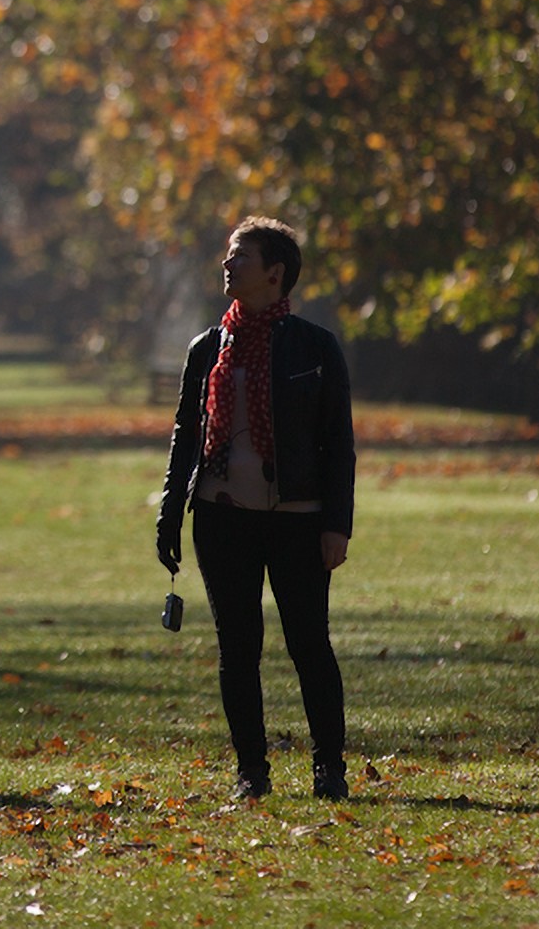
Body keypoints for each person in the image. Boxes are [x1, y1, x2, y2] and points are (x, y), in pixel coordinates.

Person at [155, 216, 356, 802]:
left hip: (297, 518)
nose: (227, 264)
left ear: (274, 273)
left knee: (308, 644)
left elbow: (338, 443)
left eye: (239, 256)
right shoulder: (207, 349)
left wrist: (336, 525)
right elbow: (185, 434)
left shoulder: (314, 348)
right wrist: (172, 511)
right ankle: (252, 772)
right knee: (237, 647)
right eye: (228, 255)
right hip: (222, 517)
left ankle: (329, 768)